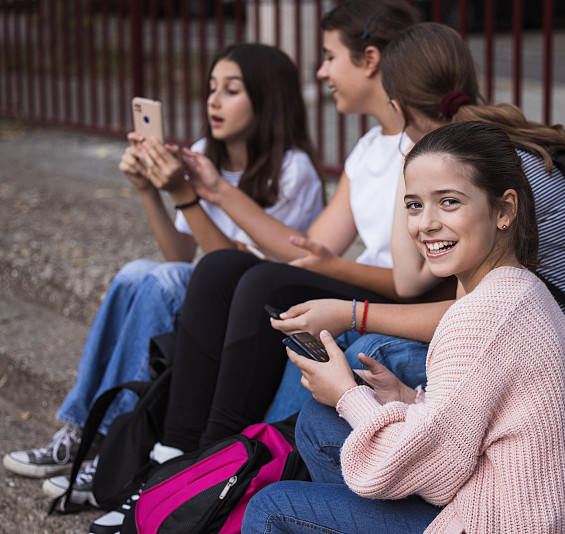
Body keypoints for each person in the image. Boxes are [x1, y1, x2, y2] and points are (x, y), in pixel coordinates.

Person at [265, 22, 565, 438]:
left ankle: (262, 462)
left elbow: (469, 312)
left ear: (397, 110)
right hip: (554, 355)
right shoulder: (482, 156)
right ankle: (259, 455)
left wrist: (351, 314)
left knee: (370, 353)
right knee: (351, 347)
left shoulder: (489, 171)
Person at [243, 121, 565, 534]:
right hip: (539, 512)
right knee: (315, 422)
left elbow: (437, 465)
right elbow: (479, 421)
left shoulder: (481, 317)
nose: (425, 224)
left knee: (269, 509)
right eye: (414, 205)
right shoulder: (527, 291)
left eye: (448, 202)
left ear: (504, 210)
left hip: (498, 521)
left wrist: (346, 394)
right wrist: (405, 398)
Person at [2, 43, 324, 506]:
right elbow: (178, 251)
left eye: (231, 90)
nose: (213, 101)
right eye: (211, 88)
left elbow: (235, 272)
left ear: (267, 99)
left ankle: (114, 442)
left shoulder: (293, 172)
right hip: (206, 298)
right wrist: (150, 191)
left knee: (159, 279)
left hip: (243, 312)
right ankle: (80, 428)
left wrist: (187, 195)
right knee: (140, 272)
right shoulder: (199, 155)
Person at [147, 0, 422, 462]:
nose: (320, 71)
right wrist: (215, 191)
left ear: (370, 60)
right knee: (221, 267)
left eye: (330, 56)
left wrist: (333, 268)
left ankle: (217, 458)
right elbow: (308, 250)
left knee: (262, 280)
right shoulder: (369, 146)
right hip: (366, 283)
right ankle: (173, 449)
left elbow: (405, 280)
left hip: (397, 300)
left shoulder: (425, 146)